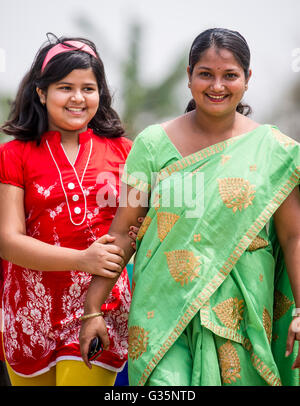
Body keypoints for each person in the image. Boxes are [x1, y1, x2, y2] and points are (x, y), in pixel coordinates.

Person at [79, 28, 300, 386]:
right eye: (206, 74)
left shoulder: (274, 151)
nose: (217, 86)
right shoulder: (152, 145)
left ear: (247, 79)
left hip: (240, 312)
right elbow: (121, 234)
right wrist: (93, 311)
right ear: (189, 76)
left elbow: (294, 237)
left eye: (230, 75)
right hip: (161, 309)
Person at [0, 34, 141, 386]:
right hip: (28, 310)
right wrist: (81, 259)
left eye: (88, 88)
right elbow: (7, 240)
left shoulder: (127, 152)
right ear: (41, 92)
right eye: (65, 87)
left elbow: (137, 231)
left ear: (100, 94)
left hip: (101, 306)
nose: (78, 98)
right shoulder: (13, 155)